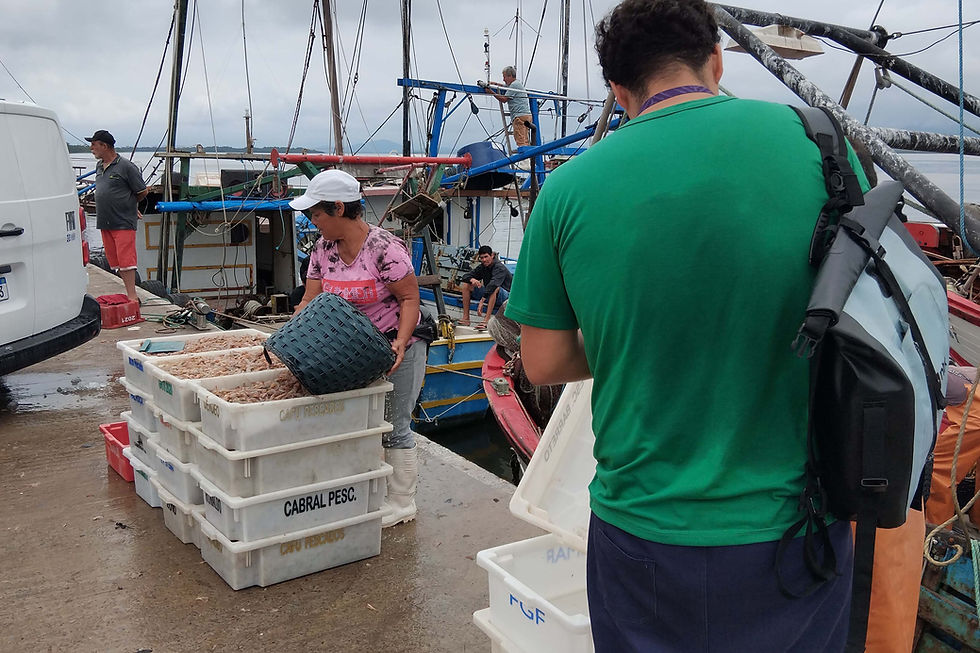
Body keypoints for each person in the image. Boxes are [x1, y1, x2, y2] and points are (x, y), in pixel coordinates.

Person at [504, 1, 871, 650]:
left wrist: (634, 337)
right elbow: (867, 314)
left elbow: (542, 361)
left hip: (643, 531)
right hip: (800, 525)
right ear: (717, 60)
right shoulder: (825, 147)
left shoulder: (567, 191)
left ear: (618, 92)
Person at [290, 169, 425, 527]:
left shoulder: (384, 249)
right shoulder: (322, 249)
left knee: (394, 425)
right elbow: (310, 298)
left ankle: (402, 502)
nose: (311, 221)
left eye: (315, 214)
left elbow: (410, 298)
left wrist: (399, 343)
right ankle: (373, 493)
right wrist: (291, 333)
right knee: (363, 423)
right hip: (350, 352)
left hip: (397, 346)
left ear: (338, 209)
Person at [88, 129, 148, 302]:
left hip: (122, 221)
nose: (91, 148)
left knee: (127, 261)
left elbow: (142, 191)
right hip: (105, 221)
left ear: (104, 146)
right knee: (115, 261)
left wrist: (131, 205)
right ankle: (128, 292)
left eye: (94, 145)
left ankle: (132, 296)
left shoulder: (126, 166)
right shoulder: (99, 166)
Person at [459, 245, 512, 328]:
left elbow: (494, 284)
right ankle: (466, 319)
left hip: (507, 298)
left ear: (492, 255)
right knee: (466, 285)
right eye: (482, 258)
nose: (484, 260)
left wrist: (482, 301)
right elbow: (465, 276)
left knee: (494, 288)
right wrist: (472, 279)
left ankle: (486, 320)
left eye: (486, 257)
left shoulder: (499, 268)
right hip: (490, 294)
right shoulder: (483, 267)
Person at [485, 66, 534, 147]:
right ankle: (528, 158)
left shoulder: (514, 85)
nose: (503, 79)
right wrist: (495, 84)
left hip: (519, 117)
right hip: (526, 115)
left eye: (504, 77)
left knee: (521, 142)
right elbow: (505, 86)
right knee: (525, 140)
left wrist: (491, 92)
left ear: (510, 76)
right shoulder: (516, 84)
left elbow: (504, 99)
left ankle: (525, 159)